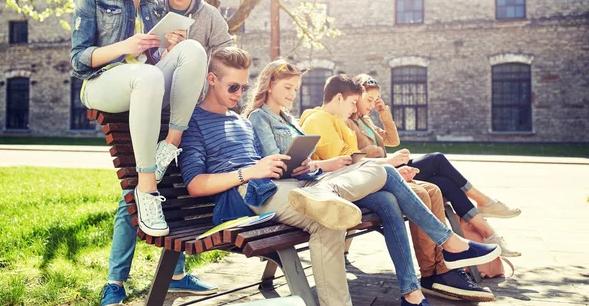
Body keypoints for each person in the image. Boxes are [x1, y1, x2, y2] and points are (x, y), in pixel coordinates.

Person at [183, 52, 500, 306]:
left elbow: (271, 163)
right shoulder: (195, 123)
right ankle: (449, 244)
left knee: (353, 205)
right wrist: (248, 172)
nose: (240, 94)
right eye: (232, 87)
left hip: (283, 186)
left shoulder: (240, 121)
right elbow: (195, 184)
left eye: (242, 86)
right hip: (248, 194)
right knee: (381, 172)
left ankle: (329, 203)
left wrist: (297, 168)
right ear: (211, 80)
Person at [70, 0, 226, 305]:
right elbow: (78, 60)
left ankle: (168, 147)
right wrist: (126, 47)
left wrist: (167, 47)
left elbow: (156, 66)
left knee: (189, 50)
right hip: (103, 82)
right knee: (146, 72)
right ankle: (146, 188)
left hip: (147, 89)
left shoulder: (157, 2)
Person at [345, 74, 499, 300]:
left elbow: (392, 139)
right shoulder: (347, 122)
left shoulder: (366, 121)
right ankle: (433, 271)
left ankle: (443, 267)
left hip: (387, 171)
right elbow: (355, 157)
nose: (371, 104)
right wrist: (390, 161)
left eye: (375, 100)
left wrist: (382, 110)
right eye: (368, 99)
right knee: (431, 173)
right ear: (355, 96)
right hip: (377, 176)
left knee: (437, 188)